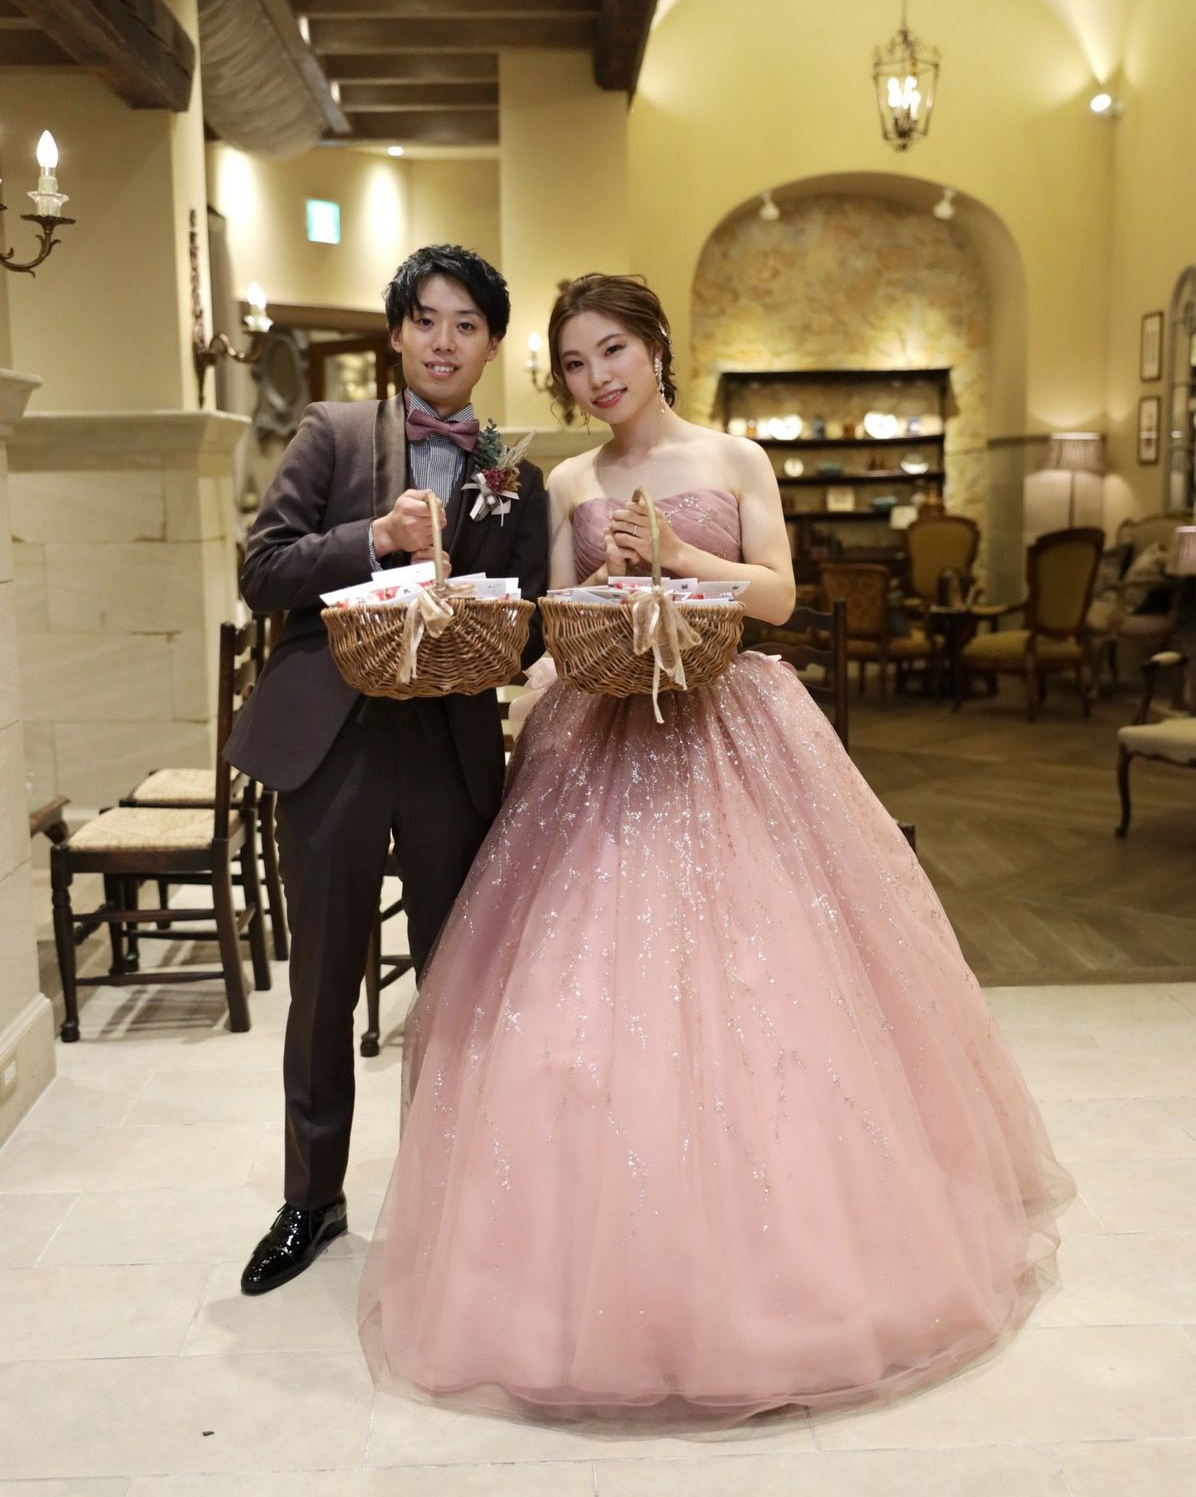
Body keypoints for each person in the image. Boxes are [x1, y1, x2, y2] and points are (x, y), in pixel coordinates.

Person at [358, 273, 1071, 1424]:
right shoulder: (570, 480)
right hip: (602, 735)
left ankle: (792, 1272)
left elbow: (778, 599)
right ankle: (568, 1275)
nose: (596, 378)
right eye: (574, 362)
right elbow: (560, 622)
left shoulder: (734, 458)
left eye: (611, 351)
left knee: (773, 985)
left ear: (653, 347)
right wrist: (558, 609)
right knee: (576, 998)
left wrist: (682, 558)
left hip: (730, 725)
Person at [227, 244, 549, 1296]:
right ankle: (310, 1198)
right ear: (397, 333)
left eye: (467, 324)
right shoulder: (331, 431)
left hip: (450, 747)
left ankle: (448, 1198)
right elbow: (262, 571)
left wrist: (493, 617)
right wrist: (371, 536)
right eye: (426, 320)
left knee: (455, 982)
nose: (444, 341)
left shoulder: (518, 476)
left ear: (490, 345)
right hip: (336, 739)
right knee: (323, 978)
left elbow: (531, 623)